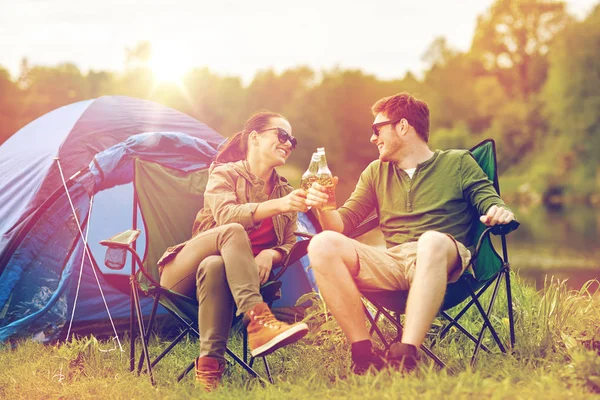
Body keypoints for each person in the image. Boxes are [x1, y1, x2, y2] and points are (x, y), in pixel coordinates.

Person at [305, 92, 515, 375]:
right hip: (393, 262)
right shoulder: (375, 172)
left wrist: (498, 211)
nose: (372, 137)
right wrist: (324, 205)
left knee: (430, 240)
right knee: (322, 244)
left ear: (403, 126)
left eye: (377, 129)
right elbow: (341, 226)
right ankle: (364, 355)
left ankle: (406, 355)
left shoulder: (458, 163)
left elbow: (488, 199)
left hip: (447, 259)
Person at [158, 111, 309, 390]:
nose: (288, 143)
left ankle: (209, 370)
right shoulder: (224, 173)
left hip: (226, 280)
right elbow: (227, 215)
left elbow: (289, 242)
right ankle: (259, 319)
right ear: (254, 138)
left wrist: (270, 254)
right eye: (282, 135)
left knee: (214, 266)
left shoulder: (283, 190)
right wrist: (281, 205)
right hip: (182, 277)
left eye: (293, 140)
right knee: (233, 231)